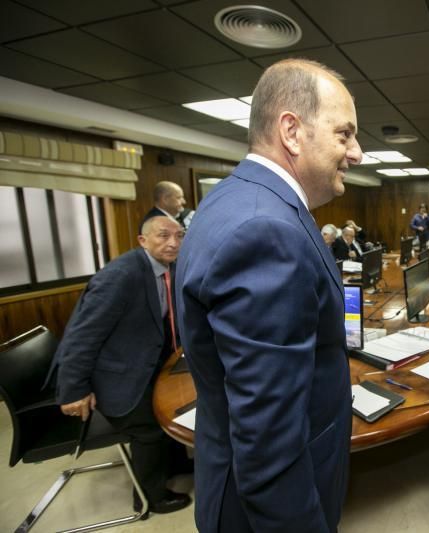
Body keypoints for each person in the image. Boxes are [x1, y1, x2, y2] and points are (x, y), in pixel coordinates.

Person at [176, 58, 362, 532]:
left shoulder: (236, 199)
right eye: (344, 134)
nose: (357, 152)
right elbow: (269, 444)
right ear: (292, 131)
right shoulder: (266, 230)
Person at [46, 216, 191, 515]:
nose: (173, 242)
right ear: (142, 240)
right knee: (150, 426)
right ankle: (150, 498)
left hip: (142, 362)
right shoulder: (121, 275)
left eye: (180, 235)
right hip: (114, 378)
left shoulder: (169, 267)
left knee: (175, 403)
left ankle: (174, 464)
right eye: (163, 235)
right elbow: (81, 336)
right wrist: (73, 390)